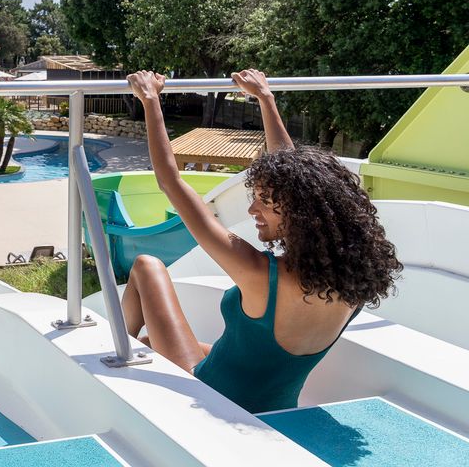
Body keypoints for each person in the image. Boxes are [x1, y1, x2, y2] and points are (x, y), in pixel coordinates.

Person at [123, 68, 402, 413]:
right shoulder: (353, 284)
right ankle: (139, 346)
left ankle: (114, 355)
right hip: (277, 409)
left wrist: (150, 99)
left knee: (147, 267)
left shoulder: (259, 274)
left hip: (211, 395)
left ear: (300, 213)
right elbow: (293, 177)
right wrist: (265, 99)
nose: (253, 208)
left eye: (266, 202)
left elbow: (171, 182)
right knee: (153, 341)